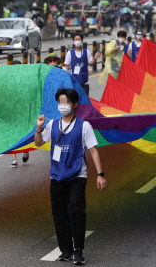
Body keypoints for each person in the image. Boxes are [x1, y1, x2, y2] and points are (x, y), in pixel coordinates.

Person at [34, 88, 107, 265]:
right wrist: (38, 128)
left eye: (66, 102)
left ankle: (78, 250)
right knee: (59, 214)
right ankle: (65, 250)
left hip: (77, 175)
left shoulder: (84, 126)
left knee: (76, 211)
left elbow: (93, 150)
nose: (62, 106)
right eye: (60, 102)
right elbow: (39, 142)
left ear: (74, 105)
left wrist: (100, 174)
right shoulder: (52, 125)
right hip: (57, 176)